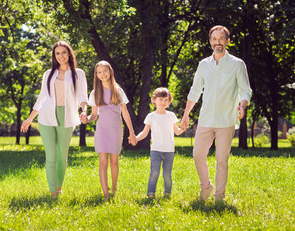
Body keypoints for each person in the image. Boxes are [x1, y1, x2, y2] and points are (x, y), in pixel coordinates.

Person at [181, 25, 252, 201]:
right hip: (205, 119)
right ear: (210, 41)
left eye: (221, 39)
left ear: (227, 41)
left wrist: (242, 106)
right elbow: (195, 90)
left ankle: (219, 197)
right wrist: (185, 115)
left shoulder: (237, 64)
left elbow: (245, 90)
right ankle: (206, 187)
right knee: (198, 155)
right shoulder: (204, 65)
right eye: (214, 39)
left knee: (222, 160)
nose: (217, 42)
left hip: (226, 120)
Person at [20, 41, 88, 198]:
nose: (61, 56)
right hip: (47, 117)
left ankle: (59, 187)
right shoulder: (48, 74)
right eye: (57, 53)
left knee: (61, 155)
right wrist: (30, 119)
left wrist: (84, 111)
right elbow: (41, 98)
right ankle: (53, 193)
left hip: (67, 116)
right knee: (51, 156)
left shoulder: (79, 73)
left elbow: (83, 96)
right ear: (54, 56)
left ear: (69, 53)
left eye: (63, 52)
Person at [81, 60, 137, 200]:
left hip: (116, 129)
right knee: (103, 162)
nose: (102, 74)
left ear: (110, 71)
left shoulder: (118, 91)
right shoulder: (95, 92)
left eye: (104, 71)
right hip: (102, 130)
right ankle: (105, 194)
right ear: (96, 75)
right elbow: (94, 115)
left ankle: (114, 188)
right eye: (99, 72)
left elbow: (125, 112)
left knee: (114, 161)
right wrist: (86, 119)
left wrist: (131, 132)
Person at [133, 87, 185, 199]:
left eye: (166, 100)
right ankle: (151, 193)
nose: (163, 102)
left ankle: (167, 194)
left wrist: (182, 128)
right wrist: (136, 138)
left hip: (169, 150)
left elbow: (177, 131)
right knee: (154, 173)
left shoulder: (171, 116)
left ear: (169, 101)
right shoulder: (151, 116)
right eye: (161, 99)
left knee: (167, 175)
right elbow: (144, 132)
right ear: (154, 100)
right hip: (156, 150)